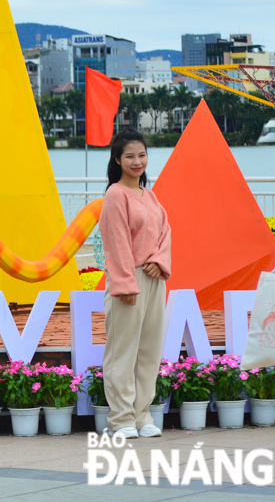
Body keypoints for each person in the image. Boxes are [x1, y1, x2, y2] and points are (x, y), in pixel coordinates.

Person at [99, 128, 171, 439]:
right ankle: (121, 419)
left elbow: (166, 232)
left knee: (149, 352)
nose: (137, 161)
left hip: (155, 280)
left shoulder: (150, 195)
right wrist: (126, 284)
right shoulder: (115, 194)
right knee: (122, 352)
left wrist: (160, 260)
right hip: (128, 282)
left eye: (142, 155)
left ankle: (143, 416)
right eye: (130, 156)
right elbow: (116, 242)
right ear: (118, 159)